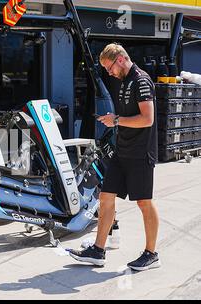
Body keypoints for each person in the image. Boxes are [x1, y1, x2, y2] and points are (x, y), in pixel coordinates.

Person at [68, 43, 161, 271]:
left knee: (144, 202)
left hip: (140, 153)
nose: (109, 73)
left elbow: (147, 119)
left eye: (109, 68)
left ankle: (151, 254)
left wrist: (116, 120)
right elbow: (127, 115)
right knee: (106, 197)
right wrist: (114, 118)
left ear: (120, 59)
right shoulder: (123, 81)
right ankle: (98, 251)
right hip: (122, 151)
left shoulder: (140, 80)